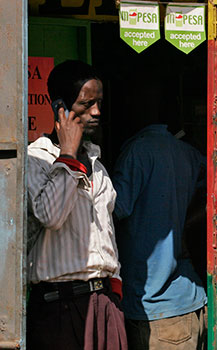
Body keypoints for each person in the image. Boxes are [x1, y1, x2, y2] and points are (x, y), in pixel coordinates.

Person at [26, 60, 127, 350]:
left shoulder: (96, 163)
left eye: (99, 102)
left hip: (104, 304)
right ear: (61, 107)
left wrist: (115, 289)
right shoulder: (37, 160)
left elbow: (107, 231)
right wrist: (68, 156)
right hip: (60, 306)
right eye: (86, 103)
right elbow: (51, 216)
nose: (96, 111)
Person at [113, 124, 207, 350]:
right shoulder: (189, 154)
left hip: (159, 311)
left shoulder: (137, 152)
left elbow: (113, 210)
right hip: (191, 300)